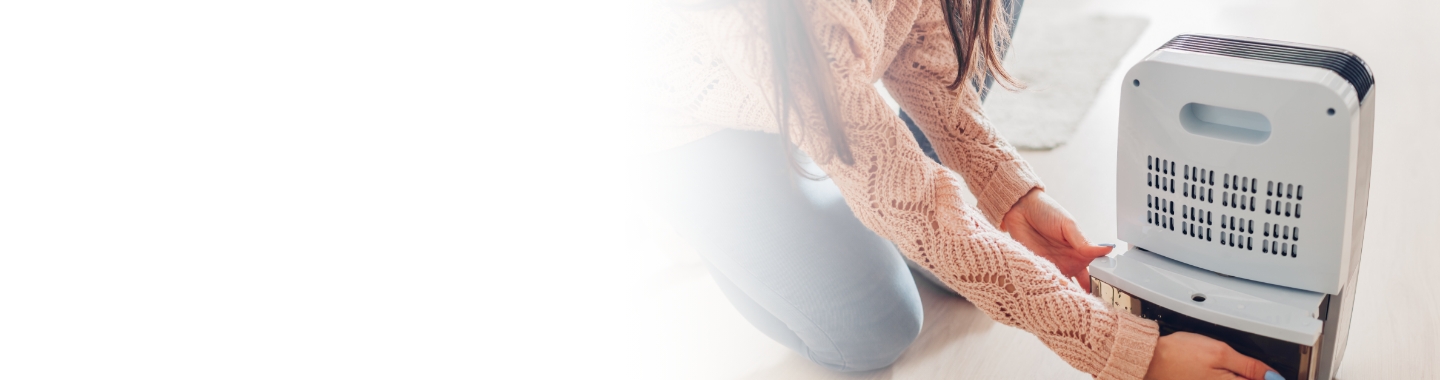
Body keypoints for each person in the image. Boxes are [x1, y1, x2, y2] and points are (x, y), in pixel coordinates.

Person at [651, 1, 1283, 379]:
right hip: (701, 122)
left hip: (823, 82)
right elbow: (919, 209)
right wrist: (1125, 353)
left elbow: (917, 47)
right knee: (872, 329)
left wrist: (1008, 196)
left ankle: (864, 160)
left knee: (958, 247)